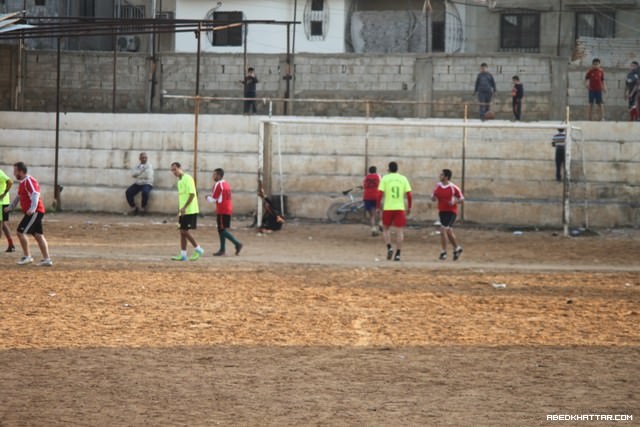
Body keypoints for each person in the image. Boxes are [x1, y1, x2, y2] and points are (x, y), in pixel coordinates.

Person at [4, 162, 52, 266]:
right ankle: (47, 259)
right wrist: (10, 208)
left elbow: (35, 193)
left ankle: (27, 257)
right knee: (38, 235)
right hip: (35, 211)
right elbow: (19, 197)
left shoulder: (29, 181)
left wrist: (32, 208)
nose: (14, 173)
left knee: (20, 232)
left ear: (21, 171)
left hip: (35, 212)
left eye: (15, 171)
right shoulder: (22, 182)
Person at [376, 161, 412, 262]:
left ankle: (389, 247)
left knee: (385, 228)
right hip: (400, 208)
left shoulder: (385, 178)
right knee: (399, 231)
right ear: (397, 169)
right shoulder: (403, 178)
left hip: (388, 207)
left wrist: (378, 207)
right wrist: (409, 207)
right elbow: (409, 194)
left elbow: (379, 194)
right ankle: (398, 254)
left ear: (389, 169)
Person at [170, 162, 204, 261]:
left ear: (180, 168)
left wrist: (184, 207)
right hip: (184, 211)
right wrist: (180, 211)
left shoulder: (187, 178)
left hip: (190, 210)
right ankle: (183, 255)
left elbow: (192, 194)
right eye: (172, 170)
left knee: (184, 231)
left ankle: (198, 249)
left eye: (175, 169)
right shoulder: (179, 181)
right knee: (182, 232)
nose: (173, 172)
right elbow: (182, 197)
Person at [206, 168, 243, 256]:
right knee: (222, 229)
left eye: (214, 175)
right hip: (227, 208)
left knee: (221, 230)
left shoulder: (218, 184)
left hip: (222, 210)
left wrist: (207, 197)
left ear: (219, 175)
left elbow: (213, 199)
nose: (213, 176)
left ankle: (237, 243)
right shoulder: (226, 184)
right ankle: (222, 249)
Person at [431, 169, 464, 261]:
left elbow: (461, 198)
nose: (440, 176)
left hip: (451, 211)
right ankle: (457, 248)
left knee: (443, 229)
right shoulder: (438, 186)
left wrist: (454, 201)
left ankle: (443, 252)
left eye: (441, 175)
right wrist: (433, 198)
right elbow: (433, 196)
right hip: (442, 211)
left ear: (446, 177)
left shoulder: (453, 187)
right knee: (448, 230)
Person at [362, 165, 381, 236]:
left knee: (371, 215)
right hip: (376, 196)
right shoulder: (378, 176)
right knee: (379, 211)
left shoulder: (366, 177)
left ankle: (373, 229)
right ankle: (380, 223)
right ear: (376, 171)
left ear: (369, 171)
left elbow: (364, 186)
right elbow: (381, 185)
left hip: (367, 196)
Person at [0, 168, 16, 252]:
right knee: (3, 225)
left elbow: (10, 182)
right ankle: (11, 244)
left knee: (0, 224)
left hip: (1, 202)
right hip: (2, 202)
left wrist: (4, 193)